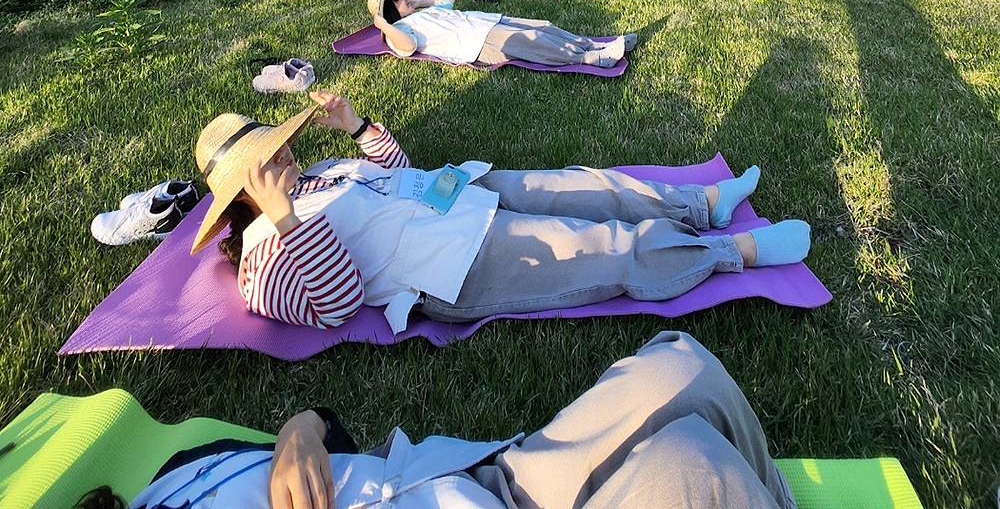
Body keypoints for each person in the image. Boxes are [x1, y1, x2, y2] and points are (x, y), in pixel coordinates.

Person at [188, 90, 812, 334]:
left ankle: (698, 203)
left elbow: (401, 179)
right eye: (272, 155)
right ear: (243, 192)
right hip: (454, 263)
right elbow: (339, 303)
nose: (288, 150)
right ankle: (736, 252)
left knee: (576, 188)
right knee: (596, 246)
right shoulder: (260, 268)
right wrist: (289, 221)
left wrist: (359, 129)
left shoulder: (318, 177)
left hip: (457, 196)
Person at [76, 331, 798, 509]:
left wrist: (298, 425)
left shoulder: (181, 473)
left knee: (681, 363)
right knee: (691, 466)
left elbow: (333, 433)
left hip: (490, 474)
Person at [369, 0, 631, 68]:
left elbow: (447, 2)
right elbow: (408, 47)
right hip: (477, 41)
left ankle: (591, 44)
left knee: (543, 26)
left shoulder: (421, 12)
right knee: (532, 41)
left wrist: (417, 1)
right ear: (391, 11)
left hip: (485, 21)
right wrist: (382, 24)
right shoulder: (400, 30)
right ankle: (590, 58)